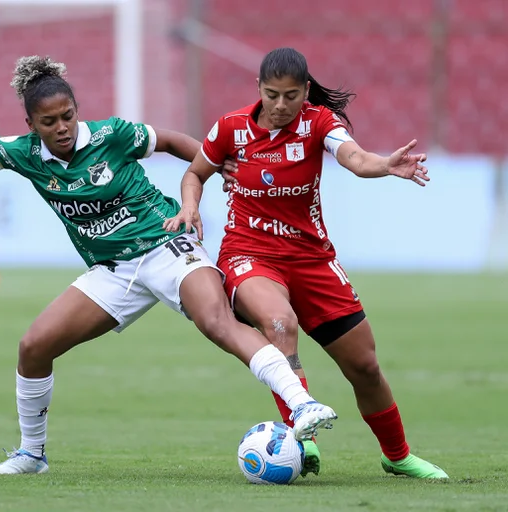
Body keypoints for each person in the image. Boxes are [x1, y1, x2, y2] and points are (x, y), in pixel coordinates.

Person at [0, 55, 338, 475]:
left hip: (166, 245)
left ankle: (301, 403)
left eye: (67, 116)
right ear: (31, 125)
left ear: (77, 111)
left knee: (216, 322)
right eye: (49, 122)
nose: (61, 128)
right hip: (113, 271)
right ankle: (31, 454)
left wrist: (218, 170)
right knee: (34, 346)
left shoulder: (113, 135)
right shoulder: (25, 155)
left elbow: (170, 141)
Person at [164, 47, 448, 479]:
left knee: (365, 367)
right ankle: (305, 435)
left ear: (306, 92)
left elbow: (354, 158)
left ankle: (398, 456)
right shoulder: (231, 128)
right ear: (258, 89)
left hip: (313, 260)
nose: (281, 105)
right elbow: (194, 173)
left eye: (291, 96)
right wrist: (191, 206)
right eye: (273, 94)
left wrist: (385, 165)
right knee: (279, 323)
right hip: (249, 253)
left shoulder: (318, 123)